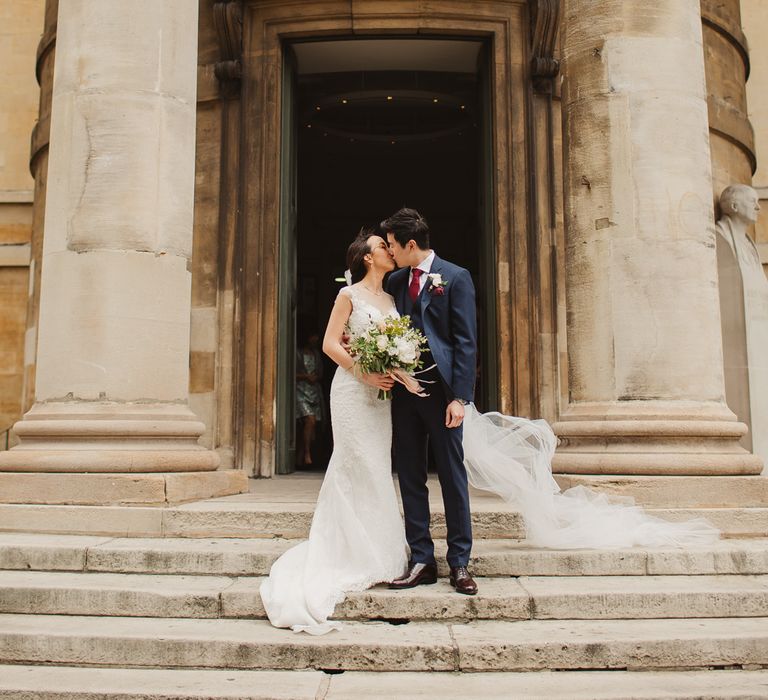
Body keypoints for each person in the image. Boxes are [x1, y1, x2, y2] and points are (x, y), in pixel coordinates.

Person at [260, 229, 407, 635]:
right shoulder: (349, 296)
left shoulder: (392, 300)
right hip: (352, 389)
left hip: (381, 397)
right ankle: (349, 550)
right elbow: (329, 344)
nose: (389, 251)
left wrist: (394, 370)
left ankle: (380, 548)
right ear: (366, 258)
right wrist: (366, 373)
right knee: (355, 460)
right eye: (382, 247)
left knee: (378, 463)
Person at [383, 208, 479, 595]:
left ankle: (459, 563)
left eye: (392, 245)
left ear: (410, 244)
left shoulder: (455, 277)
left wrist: (459, 397)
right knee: (409, 474)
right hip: (404, 393)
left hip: (442, 395)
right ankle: (421, 558)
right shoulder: (394, 281)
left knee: (453, 478)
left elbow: (466, 342)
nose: (389, 252)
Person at [295, 321, 324, 466]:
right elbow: (289, 372)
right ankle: (307, 453)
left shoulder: (316, 353)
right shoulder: (297, 353)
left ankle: (300, 457)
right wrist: (306, 377)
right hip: (299, 391)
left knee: (310, 425)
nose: (316, 339)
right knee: (310, 420)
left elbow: (320, 372)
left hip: (313, 391)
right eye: (313, 336)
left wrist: (316, 377)